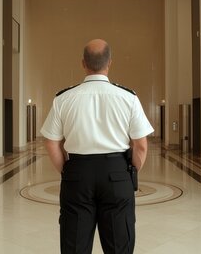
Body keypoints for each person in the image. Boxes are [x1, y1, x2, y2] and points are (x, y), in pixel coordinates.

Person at [41, 39, 153, 254]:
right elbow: (141, 146)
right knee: (120, 245)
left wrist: (66, 170)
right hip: (117, 172)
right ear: (109, 63)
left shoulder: (64, 99)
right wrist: (128, 172)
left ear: (83, 63)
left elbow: (51, 141)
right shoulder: (128, 97)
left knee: (75, 244)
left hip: (78, 173)